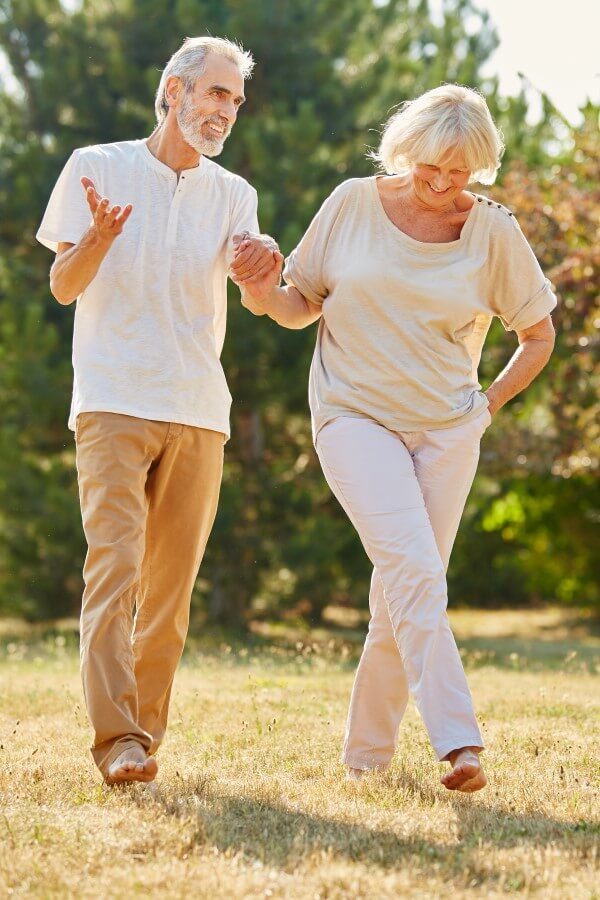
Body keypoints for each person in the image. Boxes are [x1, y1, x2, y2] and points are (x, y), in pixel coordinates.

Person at [236, 84, 557, 792]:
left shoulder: (494, 231)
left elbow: (538, 335)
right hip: (355, 415)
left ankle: (366, 760)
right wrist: (259, 293)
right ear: (404, 152)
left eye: (460, 174)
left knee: (401, 590)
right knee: (415, 570)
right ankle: (459, 743)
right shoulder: (352, 204)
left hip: (448, 429)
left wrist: (488, 405)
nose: (443, 186)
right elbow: (298, 307)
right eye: (429, 169)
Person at [36, 36, 280, 785]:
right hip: (113, 399)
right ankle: (116, 742)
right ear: (172, 90)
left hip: (200, 408)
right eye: (214, 93)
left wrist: (262, 265)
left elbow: (253, 292)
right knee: (114, 569)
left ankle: (143, 737)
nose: (225, 111)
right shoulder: (96, 167)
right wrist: (103, 236)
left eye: (234, 100)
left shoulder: (234, 192)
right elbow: (64, 286)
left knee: (170, 590)